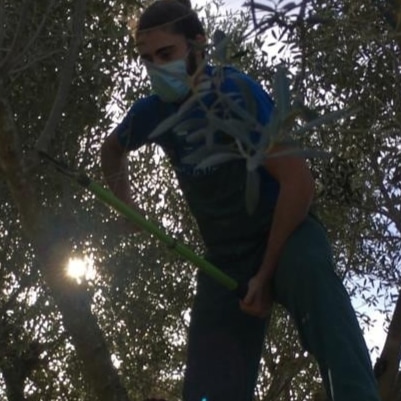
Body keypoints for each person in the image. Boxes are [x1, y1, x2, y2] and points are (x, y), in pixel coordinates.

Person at [100, 1, 381, 400]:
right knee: (209, 386)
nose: (156, 67)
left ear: (198, 45)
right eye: (147, 59)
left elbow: (299, 183)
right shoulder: (153, 111)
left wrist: (264, 275)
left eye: (166, 53)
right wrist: (126, 207)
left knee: (323, 302)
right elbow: (111, 151)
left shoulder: (234, 93)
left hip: (287, 233)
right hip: (224, 259)